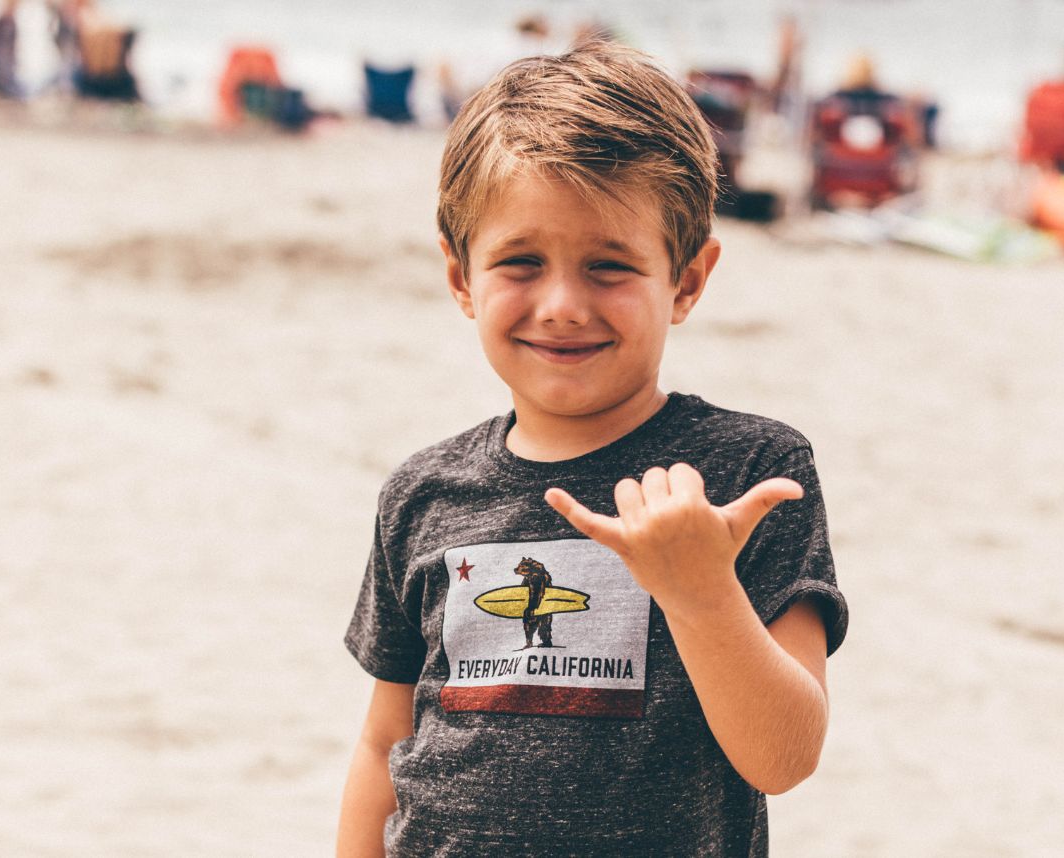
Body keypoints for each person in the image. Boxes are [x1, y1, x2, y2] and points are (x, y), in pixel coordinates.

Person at [337, 40, 848, 857]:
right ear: (461, 277)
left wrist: (698, 588)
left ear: (686, 281)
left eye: (610, 266)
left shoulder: (750, 476)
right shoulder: (424, 492)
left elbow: (784, 757)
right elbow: (383, 741)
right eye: (521, 263)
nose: (564, 305)